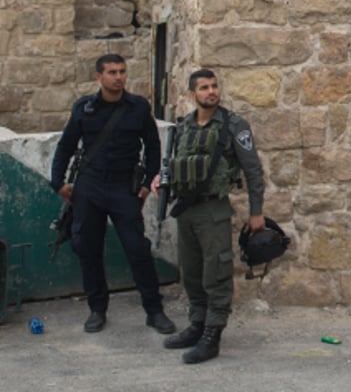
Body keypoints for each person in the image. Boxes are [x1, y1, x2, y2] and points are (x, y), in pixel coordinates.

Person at [50, 54, 177, 335]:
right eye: (111, 72)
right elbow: (66, 145)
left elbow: (153, 146)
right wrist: (57, 183)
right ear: (99, 77)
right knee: (88, 249)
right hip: (90, 186)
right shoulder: (85, 108)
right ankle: (97, 309)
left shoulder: (137, 107)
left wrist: (146, 183)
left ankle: (154, 311)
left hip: (123, 187)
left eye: (121, 72)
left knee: (137, 249)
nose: (118, 77)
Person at [152, 68, 265, 364]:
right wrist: (159, 180)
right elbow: (178, 163)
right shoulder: (184, 126)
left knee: (216, 273)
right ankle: (197, 324)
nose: (211, 91)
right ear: (192, 95)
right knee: (191, 273)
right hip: (187, 210)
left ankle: (212, 334)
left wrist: (256, 212)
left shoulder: (233, 125)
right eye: (204, 88)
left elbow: (253, 171)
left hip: (214, 210)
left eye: (214, 86)